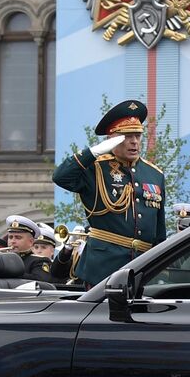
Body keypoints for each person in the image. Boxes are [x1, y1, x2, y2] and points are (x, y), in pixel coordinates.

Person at [53, 99, 167, 287]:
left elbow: (159, 232)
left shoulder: (154, 174)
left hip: (142, 267)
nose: (134, 141)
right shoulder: (95, 168)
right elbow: (60, 177)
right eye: (127, 136)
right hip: (103, 267)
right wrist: (92, 152)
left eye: (138, 136)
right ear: (112, 139)